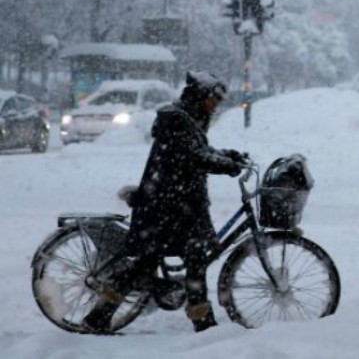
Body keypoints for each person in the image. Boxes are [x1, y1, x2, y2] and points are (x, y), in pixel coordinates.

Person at [83, 71, 246, 334]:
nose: (216, 104)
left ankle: (99, 318)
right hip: (169, 208)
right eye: (213, 98)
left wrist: (226, 155)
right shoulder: (177, 120)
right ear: (201, 95)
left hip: (174, 205)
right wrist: (226, 166)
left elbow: (198, 151)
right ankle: (202, 323)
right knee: (186, 261)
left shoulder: (187, 118)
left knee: (154, 264)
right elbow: (193, 156)